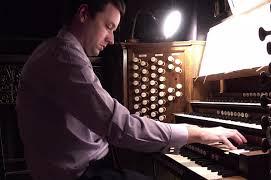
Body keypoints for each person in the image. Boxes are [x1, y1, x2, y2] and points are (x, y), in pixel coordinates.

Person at [15, 0, 247, 180]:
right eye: (108, 27)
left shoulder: (61, 52)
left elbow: (113, 123)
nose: (112, 39)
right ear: (84, 14)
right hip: (81, 175)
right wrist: (197, 132)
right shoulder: (64, 58)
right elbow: (120, 126)